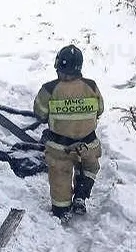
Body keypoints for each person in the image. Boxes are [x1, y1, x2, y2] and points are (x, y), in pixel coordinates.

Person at [33, 45, 104, 223]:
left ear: (58, 66)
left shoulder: (49, 89)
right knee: (89, 167)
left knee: (60, 176)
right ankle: (81, 195)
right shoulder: (91, 86)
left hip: (60, 147)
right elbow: (100, 109)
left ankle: (61, 210)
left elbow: (39, 114)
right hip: (88, 144)